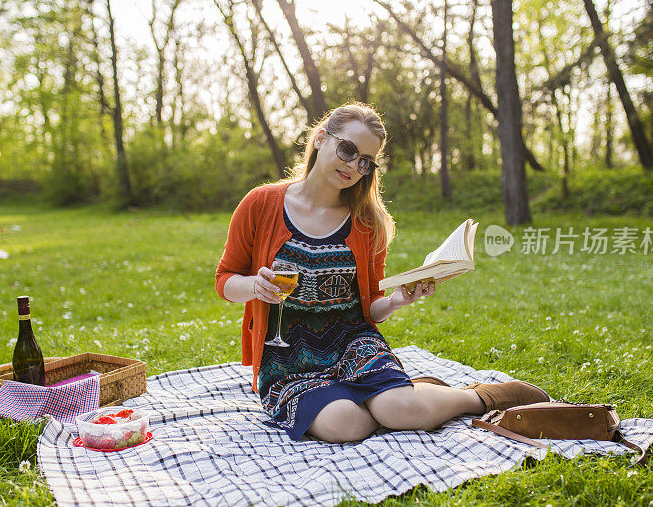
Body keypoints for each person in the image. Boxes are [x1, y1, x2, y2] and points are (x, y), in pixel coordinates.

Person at [215, 102, 548, 443]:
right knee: (347, 425)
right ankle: (392, 394)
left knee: (402, 411)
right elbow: (225, 279)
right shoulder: (260, 203)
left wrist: (394, 301)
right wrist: (255, 286)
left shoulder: (366, 221)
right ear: (319, 139)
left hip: (352, 342)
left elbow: (370, 305)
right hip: (286, 356)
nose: (353, 165)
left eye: (365, 162)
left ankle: (480, 396)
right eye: (347, 150)